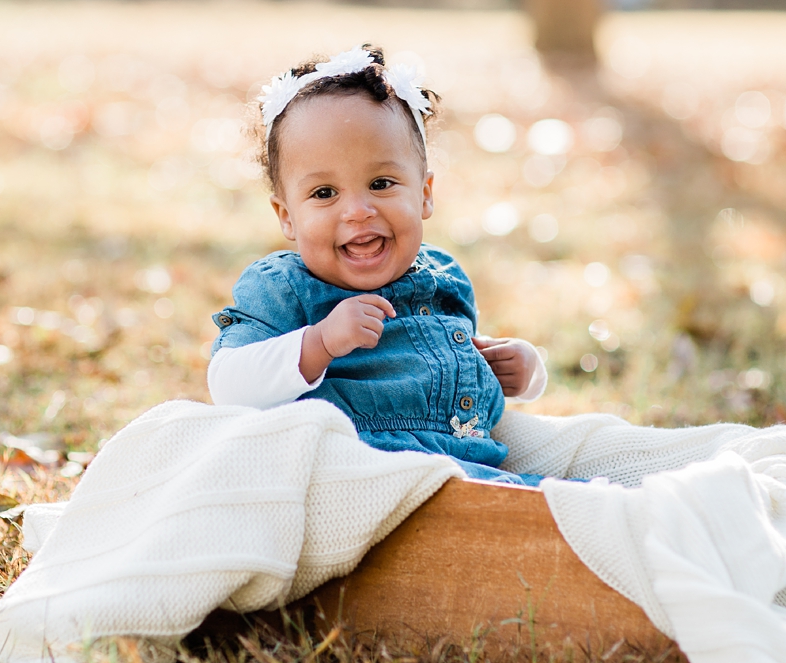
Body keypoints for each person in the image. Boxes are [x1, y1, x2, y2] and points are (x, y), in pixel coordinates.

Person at [207, 45, 552, 486]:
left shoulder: (443, 280)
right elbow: (228, 383)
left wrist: (524, 370)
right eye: (324, 193)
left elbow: (446, 364)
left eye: (381, 184)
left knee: (569, 502)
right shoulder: (284, 289)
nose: (357, 211)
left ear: (425, 193)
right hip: (365, 482)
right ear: (286, 216)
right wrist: (320, 343)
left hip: (473, 475)